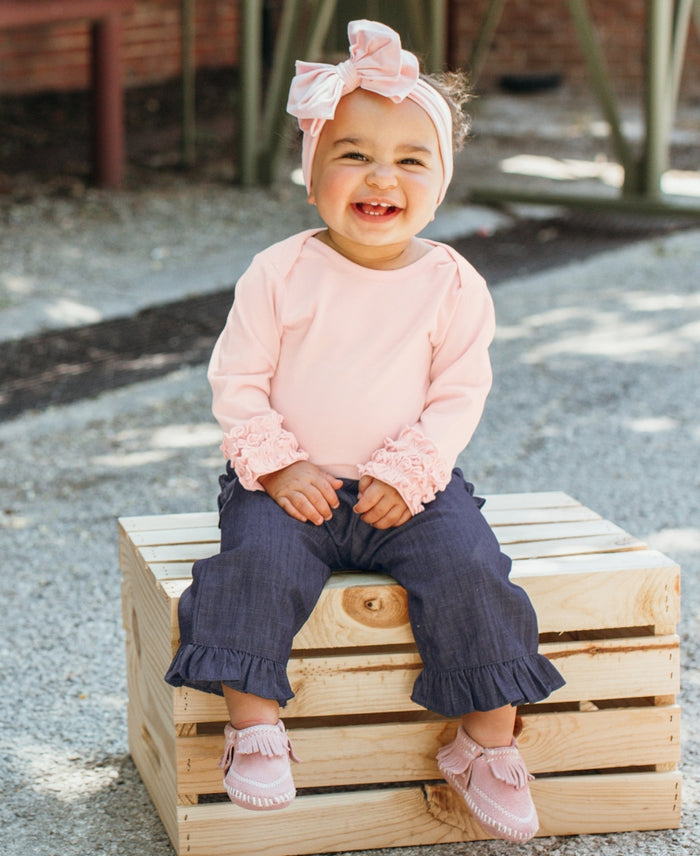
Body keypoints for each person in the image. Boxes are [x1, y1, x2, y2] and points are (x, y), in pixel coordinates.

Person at [165, 19, 565, 842]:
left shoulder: (452, 285)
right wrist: (277, 468)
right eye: (352, 153)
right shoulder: (281, 273)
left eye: (410, 160)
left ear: (440, 184)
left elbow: (458, 394)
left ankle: (485, 742)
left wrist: (411, 472)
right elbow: (236, 380)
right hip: (291, 487)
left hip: (408, 489)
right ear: (311, 176)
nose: (382, 175)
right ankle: (256, 725)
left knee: (472, 569)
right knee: (252, 566)